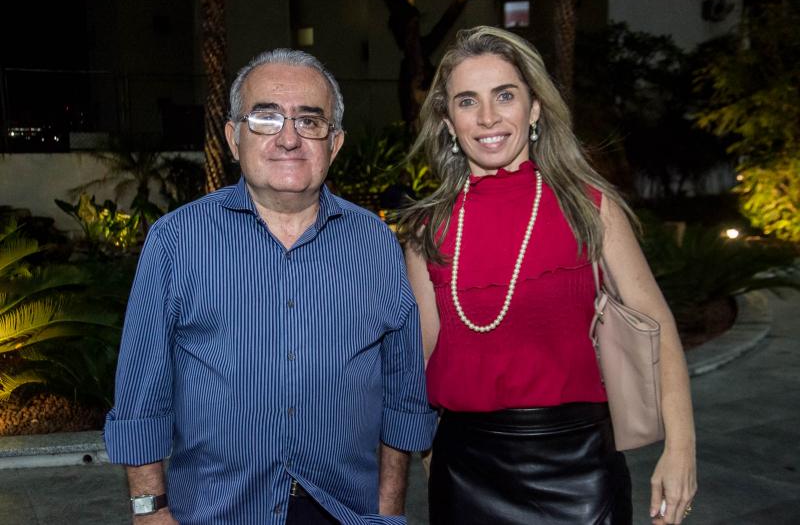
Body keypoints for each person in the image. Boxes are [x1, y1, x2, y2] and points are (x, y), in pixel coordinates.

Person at [104, 48, 437, 525]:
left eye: (309, 121)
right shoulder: (176, 241)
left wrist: (387, 511)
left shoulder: (376, 243)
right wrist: (150, 512)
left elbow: (402, 394)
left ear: (334, 143)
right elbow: (141, 399)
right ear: (233, 138)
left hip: (345, 513)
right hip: (215, 514)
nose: (289, 138)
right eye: (265, 118)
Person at [399, 26, 697, 525]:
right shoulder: (427, 230)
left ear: (534, 108)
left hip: (579, 470)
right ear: (448, 121)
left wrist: (681, 449)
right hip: (465, 470)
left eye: (505, 96)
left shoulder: (588, 208)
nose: (488, 117)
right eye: (468, 101)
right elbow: (419, 361)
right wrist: (429, 454)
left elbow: (657, 324)